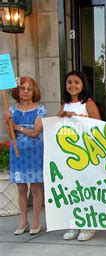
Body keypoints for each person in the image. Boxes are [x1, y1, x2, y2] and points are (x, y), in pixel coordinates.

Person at [59, 70, 101, 242]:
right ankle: (75, 222)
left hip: (86, 152)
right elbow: (57, 126)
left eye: (76, 82)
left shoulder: (88, 103)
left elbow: (98, 125)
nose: (72, 85)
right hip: (69, 154)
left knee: (87, 187)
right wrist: (60, 116)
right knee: (73, 189)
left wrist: (78, 119)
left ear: (83, 85)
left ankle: (89, 224)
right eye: (69, 82)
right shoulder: (65, 105)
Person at [3, 77, 46, 235]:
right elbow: (10, 133)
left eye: (30, 88)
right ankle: (23, 221)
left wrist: (16, 126)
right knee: (21, 188)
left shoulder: (40, 110)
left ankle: (36, 221)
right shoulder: (12, 111)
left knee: (35, 187)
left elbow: (35, 132)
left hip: (35, 152)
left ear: (34, 91)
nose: (26, 91)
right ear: (17, 91)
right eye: (23, 88)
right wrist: (7, 121)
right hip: (18, 153)